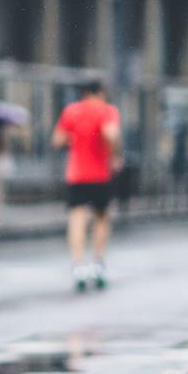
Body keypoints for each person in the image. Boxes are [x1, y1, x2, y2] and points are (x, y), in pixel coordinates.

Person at [52, 81, 121, 292]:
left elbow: (57, 140)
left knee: (77, 218)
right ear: (101, 92)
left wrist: (74, 140)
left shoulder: (71, 111)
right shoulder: (107, 111)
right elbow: (111, 133)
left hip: (76, 175)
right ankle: (98, 263)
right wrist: (116, 155)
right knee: (101, 218)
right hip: (100, 174)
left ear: (83, 92)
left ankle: (78, 265)